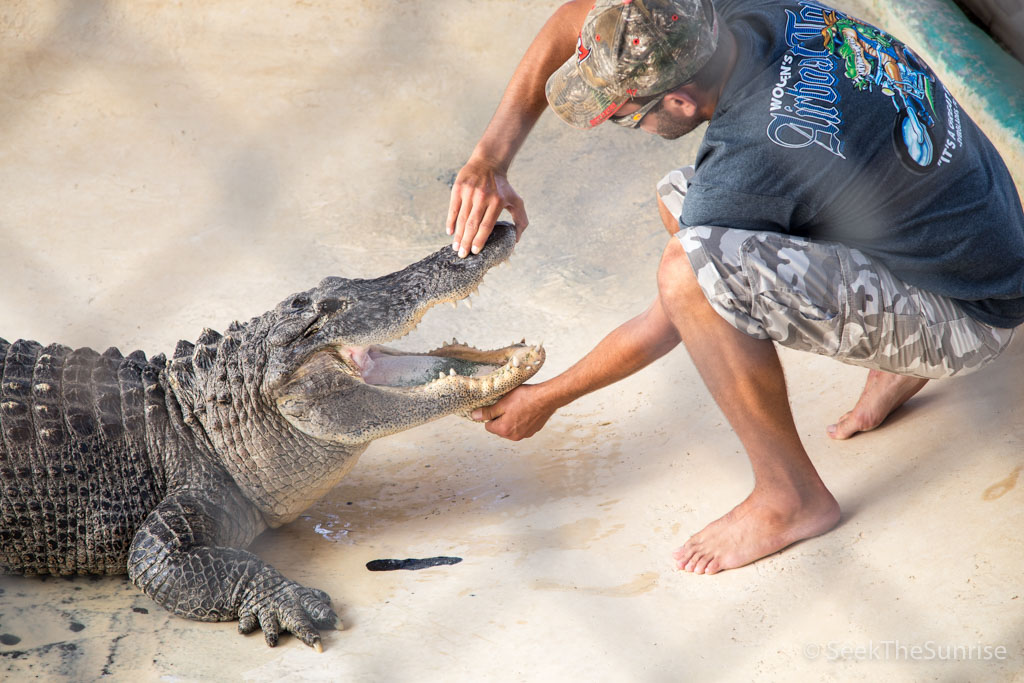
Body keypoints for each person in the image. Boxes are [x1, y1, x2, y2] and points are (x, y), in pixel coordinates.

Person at [445, 0, 1024, 574]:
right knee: (686, 205)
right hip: (977, 238)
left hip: (974, 312)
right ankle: (899, 353)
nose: (627, 128)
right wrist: (490, 158)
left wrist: (547, 398)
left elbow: (666, 318)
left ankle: (790, 497)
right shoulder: (725, 14)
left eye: (623, 115)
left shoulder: (753, 154)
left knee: (691, 271)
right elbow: (585, 14)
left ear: (679, 99)